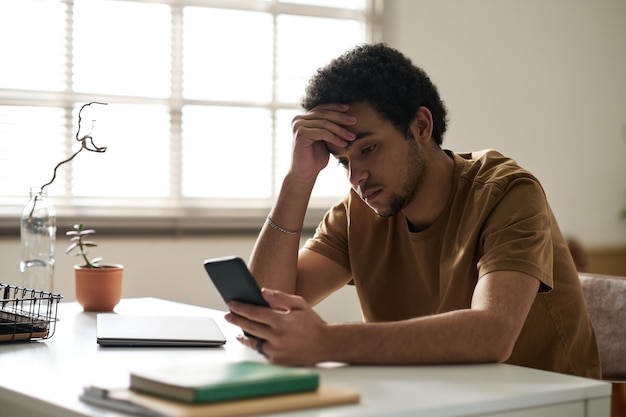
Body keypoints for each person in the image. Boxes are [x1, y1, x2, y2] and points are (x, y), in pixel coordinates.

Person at [224, 43, 601, 379]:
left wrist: (326, 340)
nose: (357, 177)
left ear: (421, 126)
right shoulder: (359, 210)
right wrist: (298, 179)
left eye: (368, 149)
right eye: (343, 161)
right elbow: (264, 309)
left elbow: (493, 334)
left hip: (545, 402)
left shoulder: (507, 192)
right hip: (431, 397)